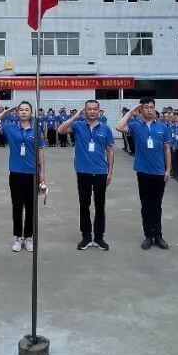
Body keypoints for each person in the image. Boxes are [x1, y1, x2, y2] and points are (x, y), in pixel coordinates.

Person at [58, 99, 114, 251]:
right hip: (83, 172)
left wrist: (110, 172)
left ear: (99, 110)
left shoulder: (105, 129)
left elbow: (110, 151)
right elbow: (61, 130)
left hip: (101, 172)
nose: (92, 111)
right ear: (85, 110)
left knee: (100, 206)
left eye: (95, 109)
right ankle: (86, 237)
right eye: (89, 109)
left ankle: (99, 237)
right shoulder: (77, 126)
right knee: (84, 205)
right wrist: (75, 116)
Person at [0, 103, 45, 252]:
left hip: (32, 173)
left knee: (31, 207)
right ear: (17, 112)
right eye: (21, 110)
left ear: (31, 113)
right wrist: (6, 112)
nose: (24, 112)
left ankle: (28, 237)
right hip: (16, 173)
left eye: (27, 110)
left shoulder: (36, 129)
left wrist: (42, 173)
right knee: (17, 206)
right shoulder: (10, 128)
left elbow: (40, 152)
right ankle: (18, 237)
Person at [118, 100, 172, 249]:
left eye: (151, 107)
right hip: (143, 171)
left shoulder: (162, 127)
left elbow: (167, 149)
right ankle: (148, 235)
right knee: (146, 205)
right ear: (141, 110)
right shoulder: (135, 126)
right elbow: (119, 127)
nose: (149, 110)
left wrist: (168, 169)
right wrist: (132, 111)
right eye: (146, 107)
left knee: (157, 205)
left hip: (159, 172)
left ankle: (158, 235)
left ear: (155, 109)